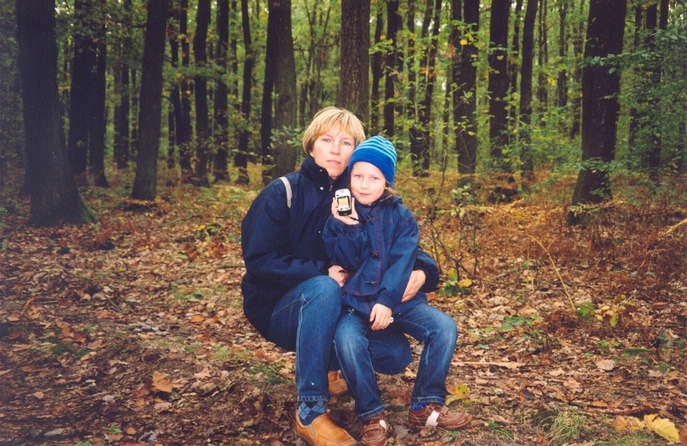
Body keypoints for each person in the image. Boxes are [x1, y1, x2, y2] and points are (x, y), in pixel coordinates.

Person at [240, 107, 440, 446]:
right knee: (324, 287)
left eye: (346, 142)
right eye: (327, 140)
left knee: (395, 356)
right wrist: (321, 271)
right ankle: (311, 411)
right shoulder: (282, 193)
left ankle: (331, 364)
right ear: (311, 145)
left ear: (356, 152)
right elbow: (259, 260)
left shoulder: (361, 193)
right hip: (280, 307)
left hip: (341, 305)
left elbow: (397, 246)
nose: (335, 149)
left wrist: (425, 272)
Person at [322, 136, 472, 446]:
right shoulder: (339, 214)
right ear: (349, 177)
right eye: (358, 176)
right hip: (356, 302)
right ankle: (370, 415)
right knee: (347, 339)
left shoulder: (402, 217)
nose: (364, 184)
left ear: (387, 181)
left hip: (398, 301)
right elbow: (346, 260)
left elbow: (404, 261)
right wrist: (349, 226)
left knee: (443, 327)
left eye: (374, 178)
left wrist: (389, 300)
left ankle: (425, 404)